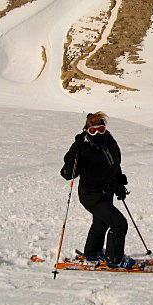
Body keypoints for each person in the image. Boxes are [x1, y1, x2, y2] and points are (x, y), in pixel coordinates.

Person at [60, 111, 135, 269]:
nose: (98, 133)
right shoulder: (82, 146)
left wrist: (119, 185)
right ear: (87, 130)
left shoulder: (109, 141)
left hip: (107, 190)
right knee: (119, 224)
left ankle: (92, 253)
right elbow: (67, 174)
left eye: (101, 129)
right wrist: (74, 152)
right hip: (91, 195)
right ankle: (115, 259)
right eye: (93, 130)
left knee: (101, 223)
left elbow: (114, 165)